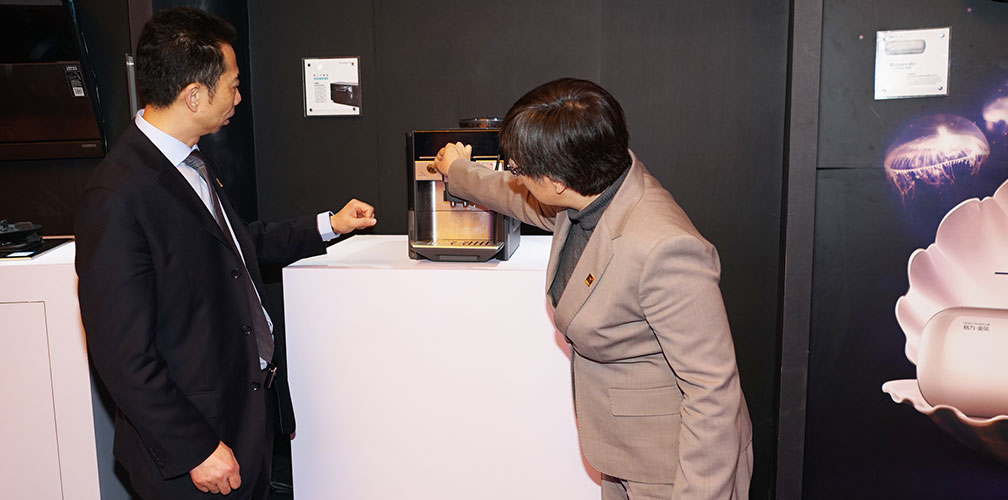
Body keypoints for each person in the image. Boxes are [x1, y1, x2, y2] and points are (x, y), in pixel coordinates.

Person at [74, 7, 376, 499]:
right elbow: (122, 356)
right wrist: (195, 448)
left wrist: (329, 225)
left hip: (241, 422)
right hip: (194, 452)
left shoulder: (191, 161)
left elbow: (237, 246)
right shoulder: (117, 197)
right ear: (194, 95)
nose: (239, 96)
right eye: (232, 86)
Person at [432, 78, 752, 500]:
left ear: (557, 181)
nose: (516, 177)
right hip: (622, 455)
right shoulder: (593, 191)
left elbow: (713, 393)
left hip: (675, 470)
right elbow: (516, 198)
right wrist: (457, 170)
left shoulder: (665, 249)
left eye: (520, 170)